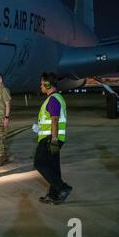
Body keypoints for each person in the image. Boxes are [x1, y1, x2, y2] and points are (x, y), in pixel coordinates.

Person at [34, 73, 72, 205]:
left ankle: (63, 188)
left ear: (48, 84)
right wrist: (38, 128)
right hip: (53, 137)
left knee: (39, 163)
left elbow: (54, 120)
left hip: (50, 139)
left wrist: (54, 140)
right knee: (53, 166)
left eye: (42, 83)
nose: (40, 86)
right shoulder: (55, 98)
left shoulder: (53, 99)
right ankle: (54, 195)